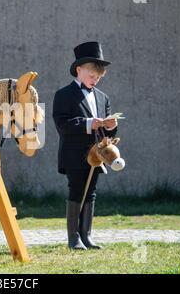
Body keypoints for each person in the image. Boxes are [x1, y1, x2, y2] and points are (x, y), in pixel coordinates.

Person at [53, 42, 118, 250]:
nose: (95, 81)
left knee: (91, 192)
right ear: (79, 70)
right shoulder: (63, 95)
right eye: (92, 76)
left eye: (98, 78)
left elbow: (106, 133)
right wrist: (90, 123)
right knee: (76, 190)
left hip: (96, 155)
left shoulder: (103, 97)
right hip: (74, 153)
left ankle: (86, 236)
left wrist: (110, 127)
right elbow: (63, 124)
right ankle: (73, 238)